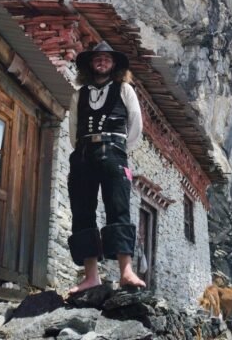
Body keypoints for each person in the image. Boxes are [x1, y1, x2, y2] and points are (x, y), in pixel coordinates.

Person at [67, 41, 147, 294]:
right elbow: (72, 129)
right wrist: (83, 148)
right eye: (97, 59)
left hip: (113, 152)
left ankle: (126, 272)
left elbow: (135, 124)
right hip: (82, 155)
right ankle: (91, 276)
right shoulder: (78, 94)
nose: (101, 62)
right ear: (91, 64)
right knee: (82, 212)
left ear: (114, 65)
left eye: (106, 59)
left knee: (118, 208)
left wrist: (119, 148)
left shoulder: (124, 89)